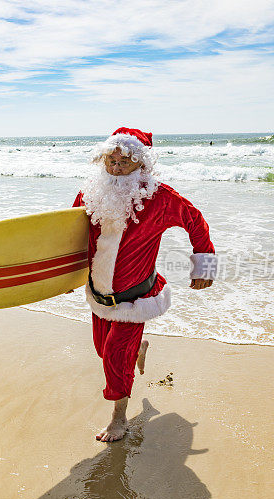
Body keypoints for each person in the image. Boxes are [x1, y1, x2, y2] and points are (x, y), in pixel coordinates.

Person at [72, 127, 217, 442]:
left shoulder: (159, 197)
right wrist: (63, 277)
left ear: (142, 164)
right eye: (111, 160)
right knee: (102, 350)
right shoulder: (90, 192)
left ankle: (118, 419)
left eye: (125, 161)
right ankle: (139, 347)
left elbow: (194, 219)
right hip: (100, 293)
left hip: (134, 298)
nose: (116, 167)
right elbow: (72, 235)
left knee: (113, 356)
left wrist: (203, 263)